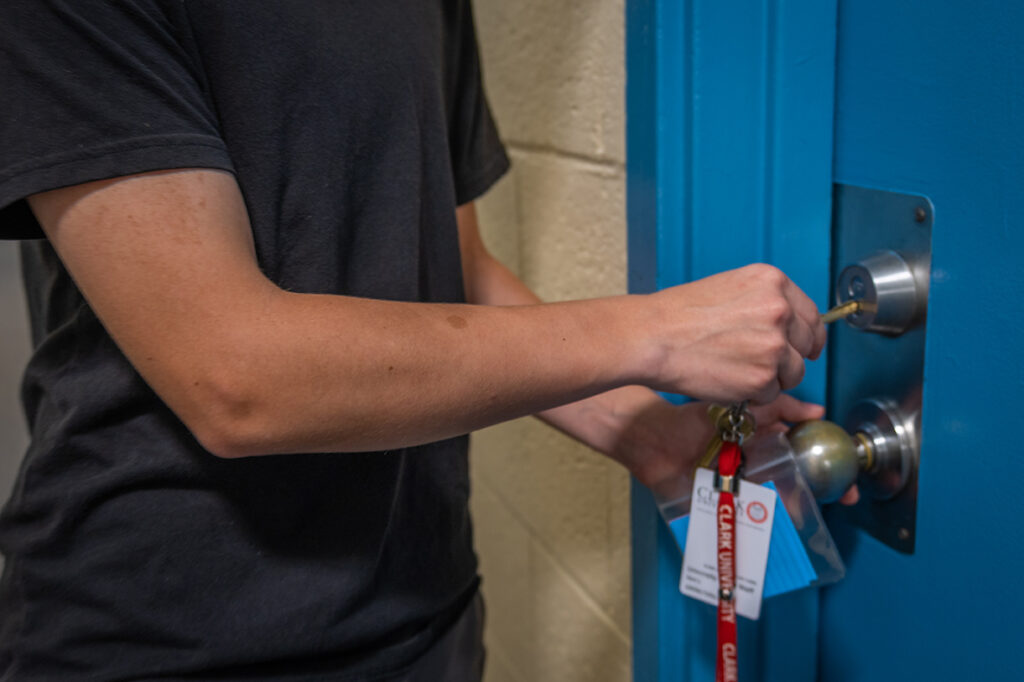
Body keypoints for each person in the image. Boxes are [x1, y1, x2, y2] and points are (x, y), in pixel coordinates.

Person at [0, 1, 849, 680]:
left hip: (421, 614)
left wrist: (647, 431)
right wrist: (655, 334)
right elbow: (234, 376)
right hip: (172, 637)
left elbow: (455, 267)